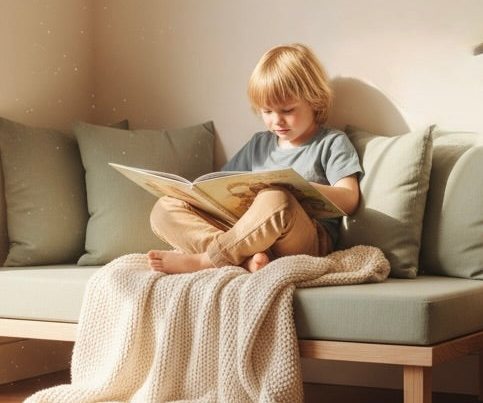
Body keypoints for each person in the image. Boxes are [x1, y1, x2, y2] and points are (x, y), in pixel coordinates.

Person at [147, 44, 362, 274]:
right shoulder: (259, 144)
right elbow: (220, 185)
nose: (276, 120)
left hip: (303, 239)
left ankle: (206, 261)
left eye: (287, 110)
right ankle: (244, 261)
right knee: (164, 209)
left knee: (276, 197)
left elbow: (350, 198)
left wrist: (300, 189)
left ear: (315, 101)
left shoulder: (331, 142)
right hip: (247, 236)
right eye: (267, 111)